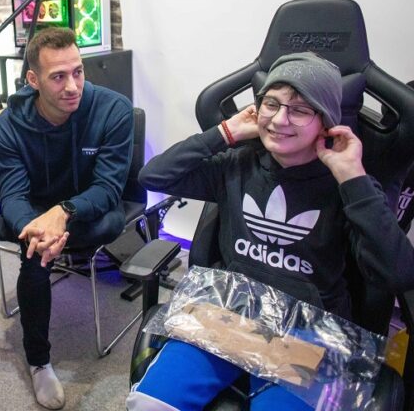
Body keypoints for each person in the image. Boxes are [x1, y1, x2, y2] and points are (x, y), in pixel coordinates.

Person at [127, 52, 414, 410]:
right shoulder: (236, 165)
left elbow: (397, 273)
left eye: (300, 109)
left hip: (307, 332)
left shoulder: (348, 183)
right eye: (271, 104)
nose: (279, 120)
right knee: (149, 403)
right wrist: (225, 132)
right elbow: (152, 176)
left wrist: (352, 176)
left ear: (325, 121)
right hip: (228, 313)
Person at [0, 27, 133, 409]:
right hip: (35, 210)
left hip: (85, 207)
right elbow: (12, 194)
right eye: (58, 77)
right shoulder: (11, 122)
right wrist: (41, 228)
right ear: (33, 80)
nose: (72, 86)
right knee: (36, 255)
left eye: (78, 72)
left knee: (110, 223)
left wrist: (63, 213)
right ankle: (39, 361)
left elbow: (108, 188)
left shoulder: (113, 109)